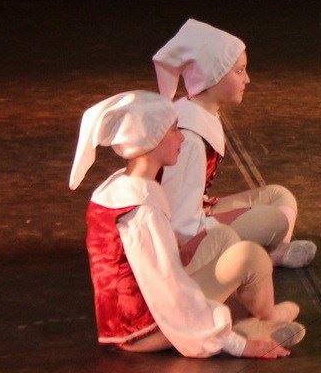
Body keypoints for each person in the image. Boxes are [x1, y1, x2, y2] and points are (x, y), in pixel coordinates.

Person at [72, 91, 301, 358]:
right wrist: (239, 347)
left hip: (136, 315)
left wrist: (181, 246)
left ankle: (250, 318)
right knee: (249, 256)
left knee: (222, 237)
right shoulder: (142, 211)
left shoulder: (118, 186)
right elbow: (168, 291)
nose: (181, 137)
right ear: (151, 139)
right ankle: (257, 325)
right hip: (146, 328)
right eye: (173, 130)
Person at [152, 19, 314, 269]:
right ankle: (256, 259)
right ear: (213, 77)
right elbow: (179, 223)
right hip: (187, 235)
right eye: (239, 71)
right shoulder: (189, 138)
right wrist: (221, 225)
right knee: (275, 221)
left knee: (279, 196)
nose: (247, 79)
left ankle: (272, 254)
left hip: (200, 212)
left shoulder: (203, 113)